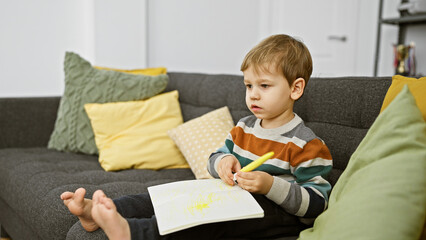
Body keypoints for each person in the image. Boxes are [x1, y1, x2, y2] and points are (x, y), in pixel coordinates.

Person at [61, 34, 333, 240]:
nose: (253, 94)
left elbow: (318, 203)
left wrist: (270, 184)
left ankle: (134, 232)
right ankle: (93, 213)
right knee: (163, 198)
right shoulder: (244, 127)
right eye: (248, 85)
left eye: (264, 86)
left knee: (198, 220)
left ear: (295, 89)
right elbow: (214, 158)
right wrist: (223, 162)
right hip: (232, 197)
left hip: (272, 212)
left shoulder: (306, 143)